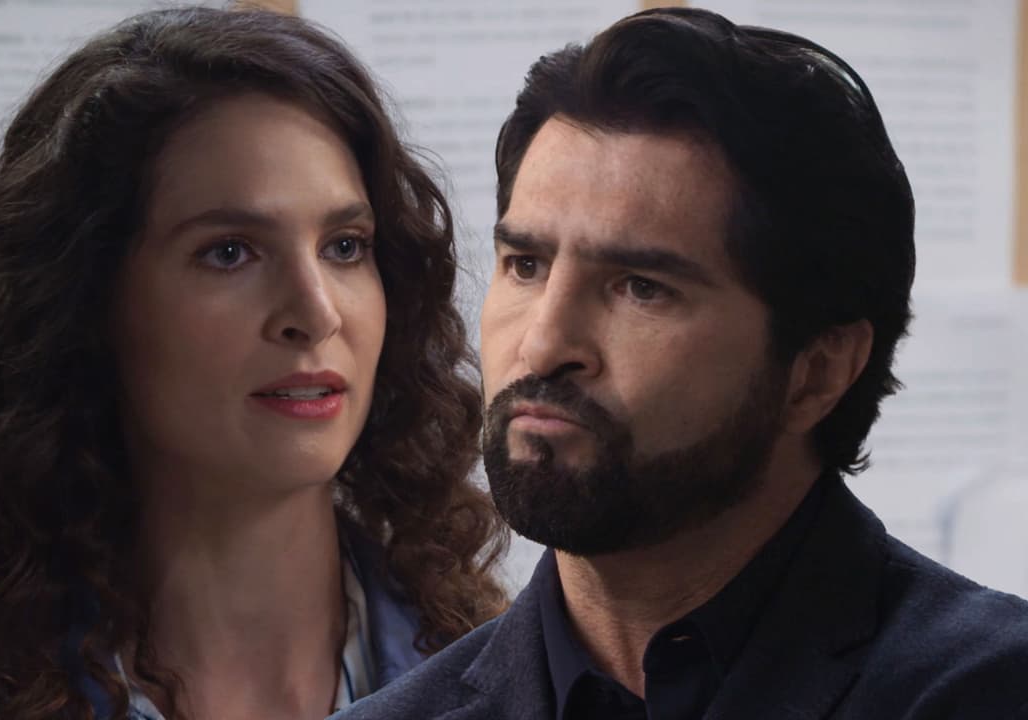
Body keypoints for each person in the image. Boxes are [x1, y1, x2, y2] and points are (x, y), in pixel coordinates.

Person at [0, 7, 508, 720]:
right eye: (229, 252)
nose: (317, 310)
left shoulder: (515, 692)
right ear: (88, 303)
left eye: (345, 247)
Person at [335, 7, 1028, 720]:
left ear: (818, 371)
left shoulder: (991, 689)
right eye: (526, 265)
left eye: (641, 288)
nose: (542, 347)